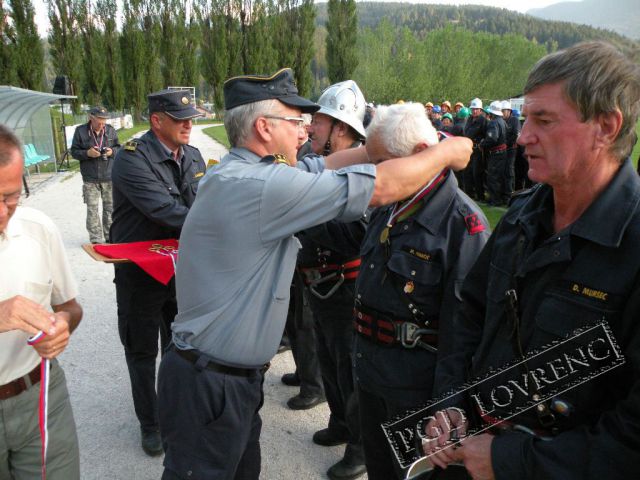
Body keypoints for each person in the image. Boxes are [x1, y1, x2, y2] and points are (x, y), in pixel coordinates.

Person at [156, 67, 473, 480]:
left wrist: (377, 145)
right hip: (212, 385)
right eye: (296, 121)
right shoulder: (260, 186)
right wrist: (447, 151)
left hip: (219, 377)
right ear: (264, 127)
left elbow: (326, 166)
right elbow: (378, 187)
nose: (304, 132)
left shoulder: (242, 172)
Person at [429, 41, 640, 480]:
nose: (524, 135)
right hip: (470, 453)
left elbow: (630, 441)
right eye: (526, 119)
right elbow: (469, 310)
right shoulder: (523, 214)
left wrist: (510, 462)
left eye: (543, 120)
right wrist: (450, 403)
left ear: (606, 126)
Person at [352, 103, 490, 480]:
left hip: (416, 395)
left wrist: (446, 408)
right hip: (372, 376)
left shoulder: (462, 225)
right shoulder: (390, 205)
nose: (375, 174)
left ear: (417, 157)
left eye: (382, 163)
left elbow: (465, 333)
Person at [110, 89, 205, 456]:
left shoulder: (193, 156)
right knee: (142, 350)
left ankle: (174, 410)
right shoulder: (131, 160)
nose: (189, 124)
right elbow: (166, 210)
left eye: (191, 118)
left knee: (180, 345)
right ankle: (149, 424)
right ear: (156, 120)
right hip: (141, 274)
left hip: (180, 270)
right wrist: (221, 222)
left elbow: (200, 199)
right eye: (181, 119)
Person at [0, 123, 83, 478]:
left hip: (41, 395)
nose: (3, 213)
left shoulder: (37, 229)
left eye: (11, 197)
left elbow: (70, 308)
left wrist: (62, 326)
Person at [295, 80, 369, 480]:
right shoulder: (321, 160)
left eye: (319, 122)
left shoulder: (362, 169)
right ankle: (340, 422)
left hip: (346, 286)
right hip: (320, 284)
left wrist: (306, 215)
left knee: (349, 366)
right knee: (328, 357)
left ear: (340, 128)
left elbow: (356, 235)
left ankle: (359, 446)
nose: (311, 129)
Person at [70, 106, 120, 244]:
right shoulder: (80, 131)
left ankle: (110, 236)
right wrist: (87, 153)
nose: (102, 124)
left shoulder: (110, 130)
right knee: (92, 209)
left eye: (104, 120)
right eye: (99, 120)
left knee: (110, 208)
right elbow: (74, 151)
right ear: (91, 118)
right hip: (90, 178)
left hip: (109, 176)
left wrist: (111, 152)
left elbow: (119, 148)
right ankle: (95, 238)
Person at [480, 101, 508, 206]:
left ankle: (495, 200)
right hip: (502, 152)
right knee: (498, 176)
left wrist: (482, 144)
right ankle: (496, 198)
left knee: (493, 176)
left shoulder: (494, 123)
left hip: (496, 153)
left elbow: (492, 138)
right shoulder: (502, 121)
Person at [463, 98, 488, 200]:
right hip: (468, 149)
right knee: (467, 172)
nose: (474, 111)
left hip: (478, 150)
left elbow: (487, 136)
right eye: (473, 109)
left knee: (477, 173)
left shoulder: (484, 121)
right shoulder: (469, 119)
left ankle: (480, 195)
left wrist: (482, 144)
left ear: (480, 110)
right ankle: (470, 194)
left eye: (476, 109)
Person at [502, 100, 521, 198]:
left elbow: (515, 135)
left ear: (509, 111)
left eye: (504, 111)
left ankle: (510, 193)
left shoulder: (515, 120)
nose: (502, 113)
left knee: (509, 171)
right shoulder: (501, 120)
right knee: (503, 171)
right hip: (503, 150)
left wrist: (506, 143)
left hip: (511, 149)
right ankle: (504, 193)